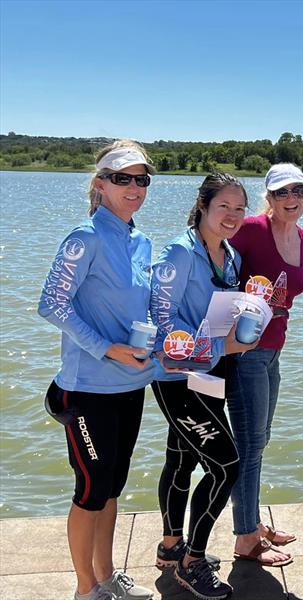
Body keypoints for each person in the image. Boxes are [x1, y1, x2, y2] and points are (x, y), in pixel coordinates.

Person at [38, 140, 157, 600]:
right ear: (100, 183)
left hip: (130, 386)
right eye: (122, 178)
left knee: (111, 488)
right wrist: (106, 348)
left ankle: (107, 575)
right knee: (89, 490)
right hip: (86, 389)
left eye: (141, 179)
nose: (133, 187)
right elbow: (52, 303)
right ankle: (85, 588)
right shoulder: (84, 237)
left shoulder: (140, 241)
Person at [150, 173, 258, 599]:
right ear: (203, 206)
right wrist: (220, 343)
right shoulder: (179, 251)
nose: (231, 216)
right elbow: (162, 323)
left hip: (211, 375)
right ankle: (193, 562)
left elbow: (218, 310)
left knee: (180, 460)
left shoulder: (228, 254)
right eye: (223, 207)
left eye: (239, 208)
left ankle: (171, 547)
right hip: (177, 376)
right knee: (226, 464)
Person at [226, 163, 303, 567]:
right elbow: (215, 270)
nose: (291, 199)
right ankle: (245, 537)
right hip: (244, 352)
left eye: (298, 191)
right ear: (269, 197)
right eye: (281, 193)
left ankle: (252, 521)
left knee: (258, 441)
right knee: (249, 445)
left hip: (275, 349)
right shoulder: (247, 229)